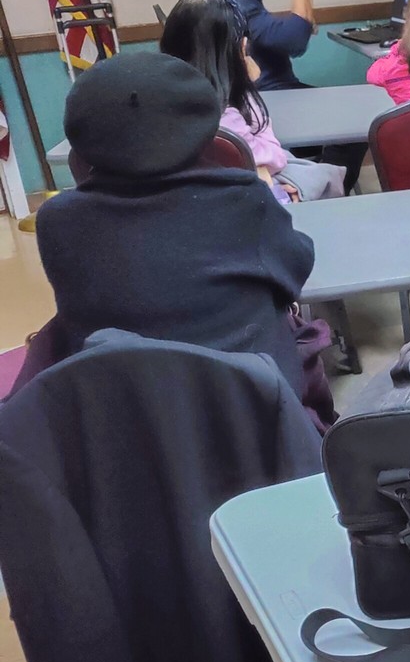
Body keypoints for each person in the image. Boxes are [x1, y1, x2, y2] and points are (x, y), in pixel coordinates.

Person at [28, 52, 335, 427]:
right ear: (204, 135)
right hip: (252, 412)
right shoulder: (242, 198)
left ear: (79, 146)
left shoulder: (58, 220)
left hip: (123, 416)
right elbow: (295, 272)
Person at [158, 0, 344, 204]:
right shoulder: (225, 115)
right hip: (237, 200)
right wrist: (246, 85)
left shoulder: (162, 102)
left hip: (193, 198)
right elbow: (273, 156)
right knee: (321, 177)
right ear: (242, 48)